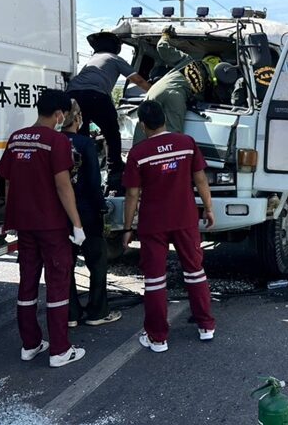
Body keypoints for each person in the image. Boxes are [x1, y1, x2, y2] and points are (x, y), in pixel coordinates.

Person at [0, 89, 87, 368]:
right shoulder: (56, 141)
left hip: (24, 224)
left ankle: (30, 344)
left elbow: (9, 183)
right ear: (59, 114)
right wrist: (77, 223)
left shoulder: (16, 138)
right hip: (51, 225)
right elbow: (63, 185)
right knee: (58, 283)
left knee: (28, 282)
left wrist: (11, 217)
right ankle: (60, 349)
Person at [122, 100, 216, 352]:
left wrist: (127, 227)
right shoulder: (186, 144)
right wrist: (208, 208)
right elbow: (200, 179)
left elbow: (132, 195)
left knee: (154, 280)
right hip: (184, 218)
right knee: (195, 271)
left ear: (142, 125)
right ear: (164, 118)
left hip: (153, 223)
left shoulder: (139, 154)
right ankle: (206, 326)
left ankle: (157, 338)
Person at [61, 99, 123, 328]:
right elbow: (94, 181)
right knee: (96, 262)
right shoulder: (85, 143)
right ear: (78, 119)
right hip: (86, 211)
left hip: (60, 213)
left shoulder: (53, 141)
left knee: (65, 263)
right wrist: (102, 207)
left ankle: (71, 313)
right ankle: (97, 311)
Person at [67, 31, 150, 188]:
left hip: (72, 95)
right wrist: (154, 92)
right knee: (111, 133)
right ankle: (115, 172)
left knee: (80, 134)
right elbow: (137, 79)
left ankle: (79, 171)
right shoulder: (115, 59)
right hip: (96, 95)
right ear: (115, 47)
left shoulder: (92, 60)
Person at [132, 27, 221, 144]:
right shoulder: (205, 86)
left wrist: (165, 35)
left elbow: (162, 47)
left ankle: (135, 159)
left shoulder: (188, 60)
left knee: (142, 128)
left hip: (155, 90)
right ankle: (169, 160)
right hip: (175, 97)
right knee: (173, 138)